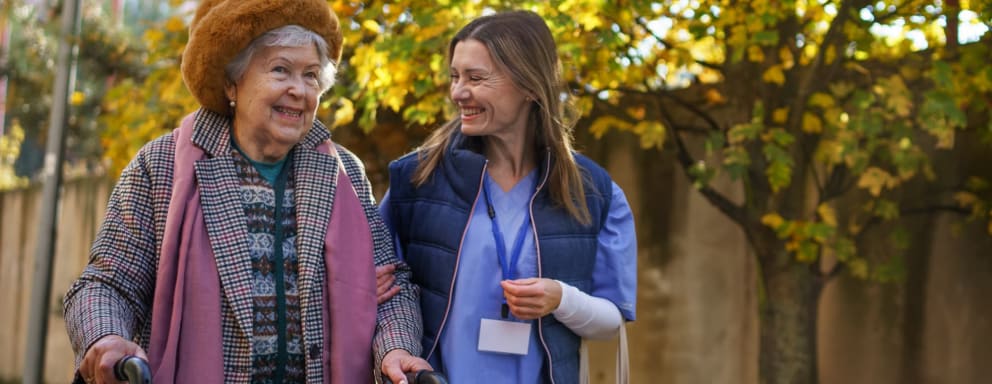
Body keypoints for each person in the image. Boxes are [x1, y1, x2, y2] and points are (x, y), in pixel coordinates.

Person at [62, 1, 431, 383]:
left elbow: (392, 288)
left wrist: (396, 347)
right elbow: (107, 284)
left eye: (310, 76)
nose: (299, 90)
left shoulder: (343, 171)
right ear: (231, 83)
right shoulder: (162, 165)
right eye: (280, 70)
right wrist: (105, 336)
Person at [379, 10, 637, 383]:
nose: (458, 92)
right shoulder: (414, 179)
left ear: (530, 86)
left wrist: (562, 299)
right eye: (455, 77)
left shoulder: (595, 192)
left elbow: (611, 321)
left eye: (476, 78)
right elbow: (379, 285)